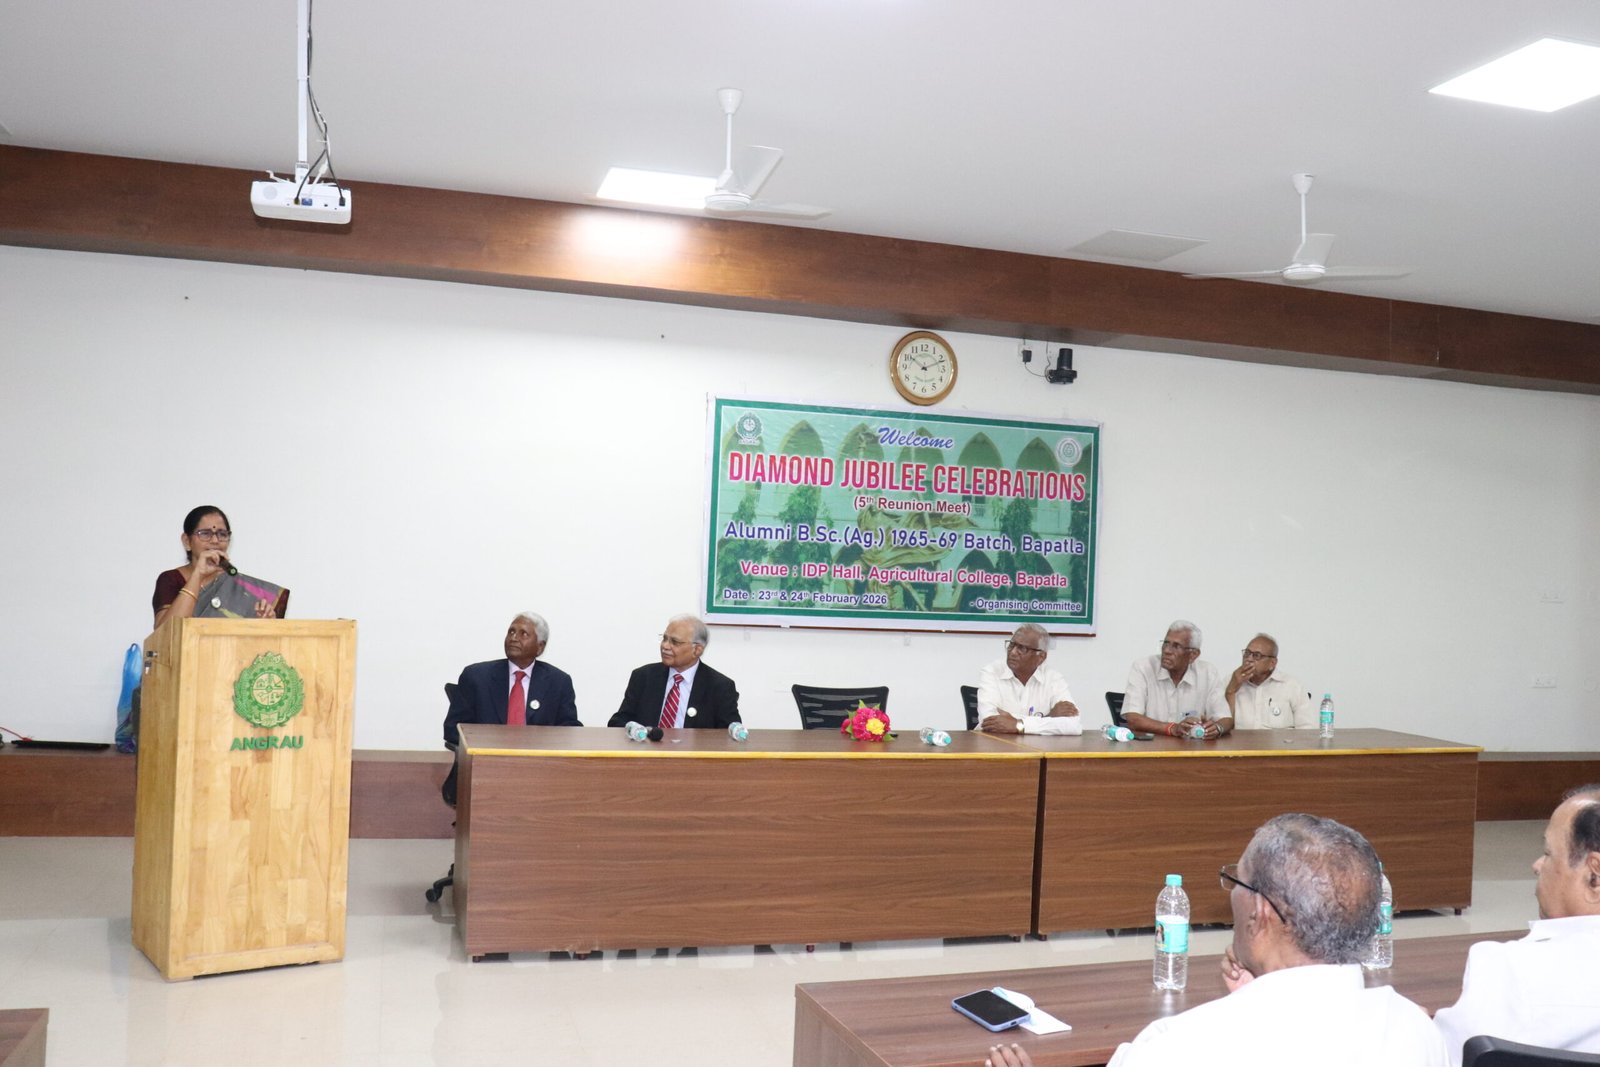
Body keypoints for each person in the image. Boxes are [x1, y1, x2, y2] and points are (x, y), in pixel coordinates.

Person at [1108, 813, 1449, 1067]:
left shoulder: (1176, 1048)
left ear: (1259, 911)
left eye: (1237, 881)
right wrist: (1256, 993)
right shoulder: (1417, 1030)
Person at [1432, 785, 1600, 1065]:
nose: (1537, 865)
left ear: (1595, 874)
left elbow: (1443, 1056)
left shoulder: (1510, 969)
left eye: (1548, 853)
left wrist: (1413, 1026)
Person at [443, 612, 580, 747]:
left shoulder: (558, 682)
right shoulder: (476, 677)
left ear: (540, 647)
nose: (514, 638)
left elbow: (569, 731)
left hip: (538, 758)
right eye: (511, 632)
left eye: (523, 634)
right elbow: (453, 729)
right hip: (487, 757)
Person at [151, 505, 281, 626]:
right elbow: (164, 631)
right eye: (205, 534)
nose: (215, 540)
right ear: (187, 541)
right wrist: (198, 575)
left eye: (222, 534)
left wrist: (265, 624)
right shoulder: (171, 580)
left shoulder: (244, 587)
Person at [608, 614, 741, 730]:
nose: (665, 646)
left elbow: (728, 734)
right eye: (664, 639)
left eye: (675, 642)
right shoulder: (644, 677)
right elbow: (618, 723)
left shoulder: (720, 687)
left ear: (697, 650)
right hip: (648, 750)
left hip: (695, 751)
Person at [1119, 619, 1228, 738]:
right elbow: (1133, 719)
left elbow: (1226, 718)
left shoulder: (1207, 672)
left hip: (1190, 746)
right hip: (1151, 745)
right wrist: (1172, 728)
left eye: (1176, 646)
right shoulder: (1143, 667)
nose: (1167, 650)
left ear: (1193, 655)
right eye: (1166, 643)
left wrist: (1217, 728)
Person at [975, 623, 1081, 735]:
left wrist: (1019, 725)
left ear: (1041, 657)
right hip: (995, 744)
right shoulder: (992, 672)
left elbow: (1074, 726)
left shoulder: (1053, 678)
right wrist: (1049, 717)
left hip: (1039, 745)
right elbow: (988, 721)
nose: (1013, 652)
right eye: (1011, 645)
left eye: (1022, 648)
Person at [1224, 632, 1314, 729]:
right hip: (1240, 739)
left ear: (1272, 663)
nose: (1249, 659)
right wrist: (1230, 691)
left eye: (1256, 655)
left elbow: (1307, 728)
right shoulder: (1229, 682)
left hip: (1281, 739)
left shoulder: (1291, 685)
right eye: (1247, 653)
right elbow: (1221, 727)